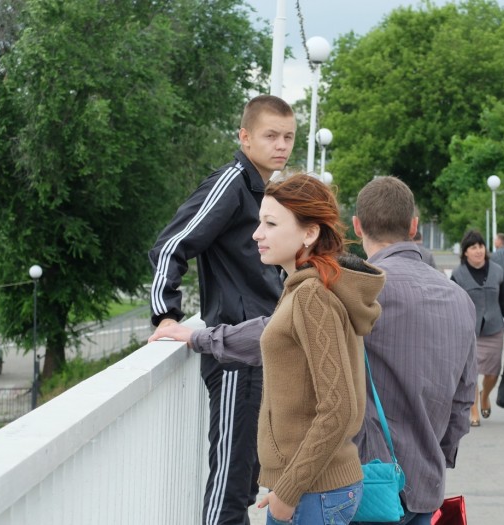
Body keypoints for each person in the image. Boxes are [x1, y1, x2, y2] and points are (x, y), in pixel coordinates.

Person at [151, 174, 386, 525]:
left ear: (309, 234)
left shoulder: (312, 297)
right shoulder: (303, 288)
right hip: (310, 488)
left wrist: (288, 493)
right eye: (260, 221)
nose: (256, 234)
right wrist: (196, 337)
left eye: (270, 224)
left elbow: (338, 408)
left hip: (311, 493)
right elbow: (265, 335)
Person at [148, 95, 296, 525]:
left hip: (261, 350)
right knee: (229, 491)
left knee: (249, 483)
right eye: (271, 136)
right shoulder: (231, 182)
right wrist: (165, 315)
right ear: (245, 137)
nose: (281, 145)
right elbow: (172, 245)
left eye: (288, 136)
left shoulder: (263, 191)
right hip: (234, 357)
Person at [351, 177, 477, 524]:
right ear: (413, 226)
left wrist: (207, 338)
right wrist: (437, 455)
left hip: (367, 484)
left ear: (357, 225)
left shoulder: (359, 289)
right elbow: (464, 397)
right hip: (425, 485)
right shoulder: (459, 298)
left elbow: (280, 332)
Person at [451, 230, 504, 427]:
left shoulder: (497, 271)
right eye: (473, 247)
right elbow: (453, 303)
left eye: (480, 246)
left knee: (493, 372)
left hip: (495, 327)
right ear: (465, 252)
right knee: (471, 373)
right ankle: (474, 410)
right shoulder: (458, 275)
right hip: (469, 330)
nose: (478, 250)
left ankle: (485, 394)